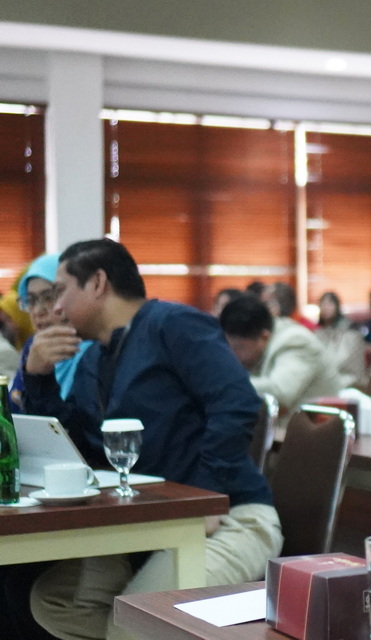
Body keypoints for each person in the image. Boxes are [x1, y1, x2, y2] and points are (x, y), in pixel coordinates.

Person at [22, 239, 282, 640]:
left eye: (60, 292)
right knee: (54, 602)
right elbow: (77, 450)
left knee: (134, 623)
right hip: (150, 525)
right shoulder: (94, 358)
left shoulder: (174, 324)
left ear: (98, 283)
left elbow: (236, 403)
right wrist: (38, 377)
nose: (54, 308)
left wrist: (205, 495)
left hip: (230, 515)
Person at [220, 295, 343, 414]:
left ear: (264, 336)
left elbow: (280, 394)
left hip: (311, 426)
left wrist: (226, 383)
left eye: (240, 348)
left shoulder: (295, 341)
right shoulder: (264, 339)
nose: (234, 355)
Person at [9, 254, 93, 413]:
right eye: (30, 300)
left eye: (49, 298)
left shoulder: (94, 351)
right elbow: (13, 412)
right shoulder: (33, 347)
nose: (37, 311)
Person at [314, 291, 366, 390]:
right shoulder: (318, 333)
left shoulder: (350, 332)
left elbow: (347, 363)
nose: (326, 307)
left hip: (348, 382)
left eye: (330, 304)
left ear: (337, 307)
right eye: (323, 304)